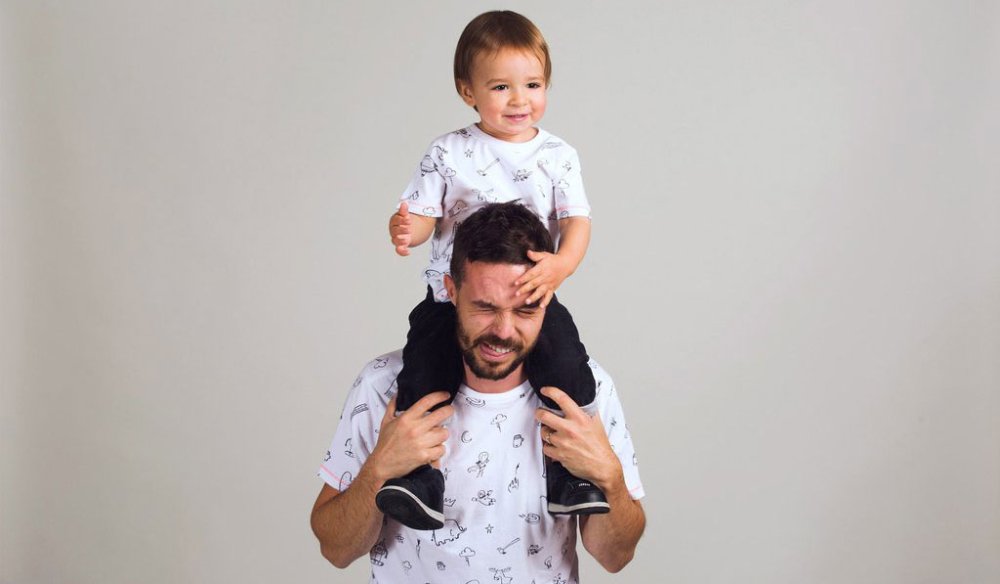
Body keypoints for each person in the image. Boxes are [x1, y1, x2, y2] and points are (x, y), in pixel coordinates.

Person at [312, 203, 645, 582]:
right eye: (485, 308)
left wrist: (610, 478)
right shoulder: (383, 385)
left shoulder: (588, 391)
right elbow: (335, 550)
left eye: (525, 310)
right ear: (450, 291)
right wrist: (379, 471)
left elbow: (615, 556)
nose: (503, 330)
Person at [385, 9, 600, 531]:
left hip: (531, 296)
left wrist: (561, 267)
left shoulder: (558, 156)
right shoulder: (448, 153)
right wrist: (405, 230)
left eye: (533, 84)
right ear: (468, 91)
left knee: (568, 370)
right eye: (501, 86)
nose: (519, 100)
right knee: (422, 373)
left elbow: (577, 222)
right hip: (453, 300)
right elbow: (425, 216)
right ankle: (417, 478)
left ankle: (569, 475)